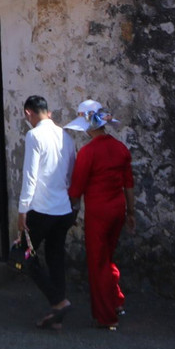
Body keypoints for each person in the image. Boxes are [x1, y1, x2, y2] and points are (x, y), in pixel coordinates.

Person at [65, 100, 135, 329]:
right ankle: (116, 302)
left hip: (98, 213)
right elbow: (129, 185)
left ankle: (107, 317)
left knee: (98, 263)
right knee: (108, 258)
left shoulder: (87, 153)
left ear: (88, 124)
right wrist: (131, 212)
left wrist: (69, 210)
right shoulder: (120, 148)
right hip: (118, 209)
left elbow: (75, 190)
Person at [17, 94, 77, 329]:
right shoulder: (66, 137)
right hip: (63, 208)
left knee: (23, 255)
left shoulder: (34, 135)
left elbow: (30, 176)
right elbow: (71, 173)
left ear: (28, 113)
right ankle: (57, 314)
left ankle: (59, 302)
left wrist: (22, 211)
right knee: (55, 257)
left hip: (40, 208)